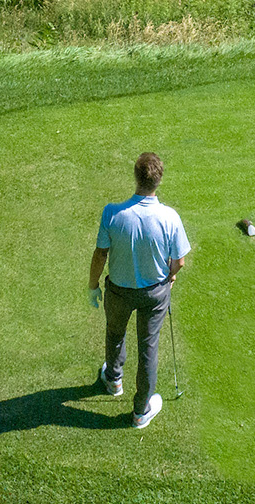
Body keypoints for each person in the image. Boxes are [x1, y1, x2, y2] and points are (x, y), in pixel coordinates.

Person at [88, 151, 190, 428]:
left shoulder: (112, 213)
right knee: (148, 347)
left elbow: (100, 254)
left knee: (115, 333)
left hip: (118, 291)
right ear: (159, 180)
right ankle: (141, 411)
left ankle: (113, 380)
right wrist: (171, 276)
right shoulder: (170, 217)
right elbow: (179, 261)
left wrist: (92, 286)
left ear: (135, 177)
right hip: (155, 293)